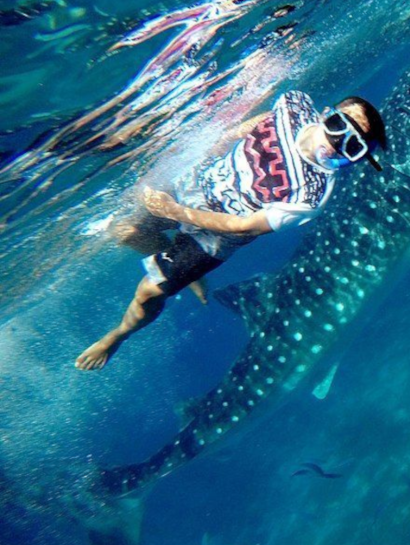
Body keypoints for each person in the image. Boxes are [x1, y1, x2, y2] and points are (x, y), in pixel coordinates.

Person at [75, 90, 387, 371]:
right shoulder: (295, 105)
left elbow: (243, 226)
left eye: (353, 146)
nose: (336, 144)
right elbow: (254, 126)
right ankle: (185, 273)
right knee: (124, 231)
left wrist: (176, 212)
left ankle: (118, 335)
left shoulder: (311, 195)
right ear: (324, 114)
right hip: (198, 183)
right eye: (337, 125)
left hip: (216, 236)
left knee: (149, 291)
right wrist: (212, 147)